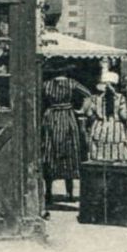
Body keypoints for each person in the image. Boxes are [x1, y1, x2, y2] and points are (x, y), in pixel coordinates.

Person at [39, 60, 92, 216]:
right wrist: (81, 110)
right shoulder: (72, 83)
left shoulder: (46, 84)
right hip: (67, 117)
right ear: (66, 71)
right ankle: (69, 193)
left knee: (50, 151)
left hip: (51, 118)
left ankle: (48, 192)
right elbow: (88, 94)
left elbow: (38, 99)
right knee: (69, 151)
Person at [87, 69, 127, 162]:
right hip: (116, 129)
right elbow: (123, 116)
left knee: (99, 156)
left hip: (99, 128)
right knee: (116, 156)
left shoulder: (95, 98)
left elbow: (89, 113)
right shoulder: (120, 98)